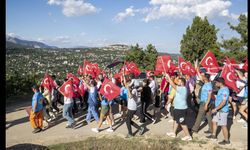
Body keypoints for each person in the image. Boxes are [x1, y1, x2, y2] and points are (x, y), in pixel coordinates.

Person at [165, 73, 192, 141]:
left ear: (182, 83)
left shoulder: (183, 88)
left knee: (182, 123)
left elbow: (173, 85)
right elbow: (172, 84)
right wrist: (168, 79)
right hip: (177, 108)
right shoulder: (180, 88)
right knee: (177, 121)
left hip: (181, 109)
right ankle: (173, 133)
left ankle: (188, 136)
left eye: (179, 81)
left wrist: (169, 77)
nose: (178, 82)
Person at [206, 77, 230, 145]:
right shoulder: (221, 89)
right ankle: (213, 135)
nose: (215, 84)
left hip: (222, 111)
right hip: (218, 110)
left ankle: (226, 140)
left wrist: (216, 109)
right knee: (214, 121)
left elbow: (223, 102)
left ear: (220, 83)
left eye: (216, 82)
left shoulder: (225, 90)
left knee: (223, 125)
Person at [192, 60, 213, 134]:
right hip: (205, 102)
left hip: (205, 102)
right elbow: (198, 73)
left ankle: (195, 129)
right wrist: (196, 66)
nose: (201, 76)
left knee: (200, 115)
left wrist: (206, 104)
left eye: (203, 76)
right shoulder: (206, 82)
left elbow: (210, 96)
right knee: (209, 116)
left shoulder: (209, 86)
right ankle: (211, 129)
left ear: (205, 78)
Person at [123, 73, 144, 138]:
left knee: (127, 121)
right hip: (130, 106)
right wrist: (123, 76)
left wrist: (128, 88)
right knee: (128, 120)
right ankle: (140, 128)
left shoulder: (134, 90)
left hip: (132, 107)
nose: (127, 84)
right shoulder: (131, 88)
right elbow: (125, 83)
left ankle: (130, 134)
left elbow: (130, 96)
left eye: (128, 83)